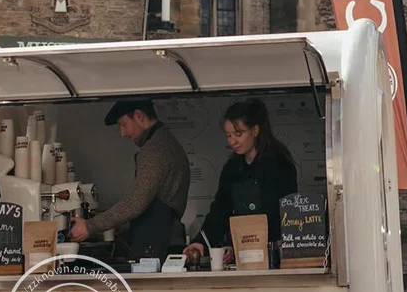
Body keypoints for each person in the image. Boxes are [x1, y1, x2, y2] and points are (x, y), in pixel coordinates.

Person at [69, 99, 191, 260]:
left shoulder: (154, 149)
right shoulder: (167, 141)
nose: (123, 133)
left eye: (124, 125)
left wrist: (90, 226)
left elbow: (136, 201)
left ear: (139, 116)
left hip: (155, 244)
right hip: (166, 239)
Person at [184, 98, 297, 266]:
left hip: (274, 256)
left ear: (255, 130)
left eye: (238, 134)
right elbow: (221, 209)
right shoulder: (232, 168)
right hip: (242, 257)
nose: (232, 141)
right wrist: (201, 240)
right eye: (228, 135)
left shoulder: (280, 163)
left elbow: (288, 211)